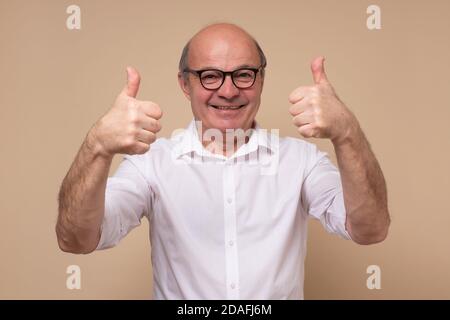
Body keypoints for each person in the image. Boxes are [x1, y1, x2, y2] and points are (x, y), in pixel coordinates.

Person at [56, 23, 390, 299]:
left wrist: (347, 132)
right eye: (210, 76)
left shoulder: (301, 161)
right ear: (185, 84)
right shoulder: (151, 164)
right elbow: (76, 239)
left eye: (243, 74)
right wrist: (97, 146)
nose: (228, 91)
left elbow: (370, 229)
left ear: (260, 80)